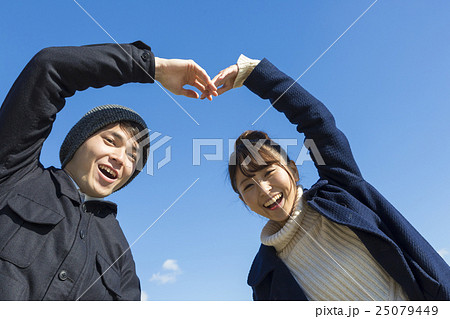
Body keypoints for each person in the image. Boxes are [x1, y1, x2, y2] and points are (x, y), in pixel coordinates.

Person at [210, 55, 450, 300]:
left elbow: (316, 120)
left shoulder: (340, 190)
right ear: (242, 200)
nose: (262, 188)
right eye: (248, 185)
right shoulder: (264, 279)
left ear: (292, 169)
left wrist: (253, 74)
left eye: (269, 172)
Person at [0, 41, 217, 300]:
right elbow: (49, 67)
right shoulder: (16, 172)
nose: (120, 158)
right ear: (78, 142)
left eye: (132, 156)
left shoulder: (120, 253)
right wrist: (152, 68)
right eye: (110, 141)